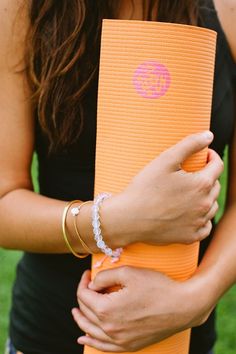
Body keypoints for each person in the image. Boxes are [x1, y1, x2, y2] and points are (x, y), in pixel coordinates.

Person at [0, 1, 234, 354]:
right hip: (53, 333)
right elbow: (5, 200)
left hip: (181, 338)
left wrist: (197, 298)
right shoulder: (20, 9)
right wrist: (118, 220)